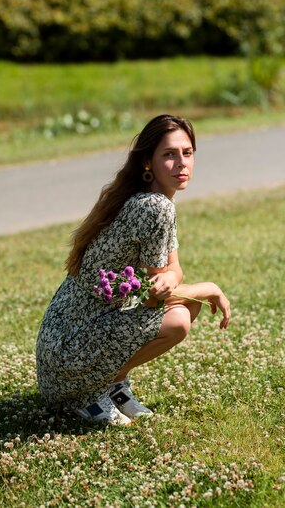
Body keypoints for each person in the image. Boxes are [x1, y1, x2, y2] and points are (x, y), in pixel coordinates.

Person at [36, 114, 231, 425]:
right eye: (169, 154)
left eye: (187, 153)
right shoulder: (154, 207)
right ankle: (88, 395)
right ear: (148, 163)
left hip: (64, 349)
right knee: (180, 317)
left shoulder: (154, 201)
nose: (181, 163)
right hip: (68, 356)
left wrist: (168, 279)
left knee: (185, 307)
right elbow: (156, 297)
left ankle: (112, 382)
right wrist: (209, 288)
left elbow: (171, 273)